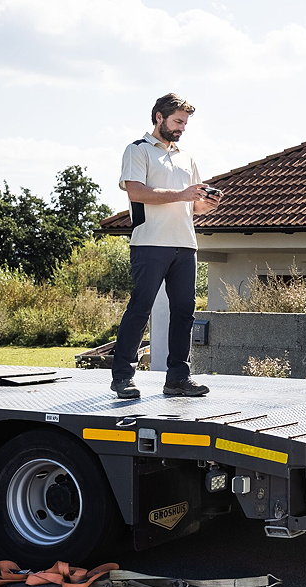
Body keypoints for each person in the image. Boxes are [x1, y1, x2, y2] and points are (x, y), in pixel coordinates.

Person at [110, 93, 221, 399]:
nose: (182, 128)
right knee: (140, 309)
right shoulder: (138, 150)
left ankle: (177, 379)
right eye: (177, 121)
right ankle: (122, 377)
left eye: (185, 123)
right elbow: (136, 192)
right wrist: (182, 195)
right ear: (159, 117)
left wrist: (207, 204)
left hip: (185, 244)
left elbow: (194, 205)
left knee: (185, 312)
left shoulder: (187, 157)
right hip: (149, 243)